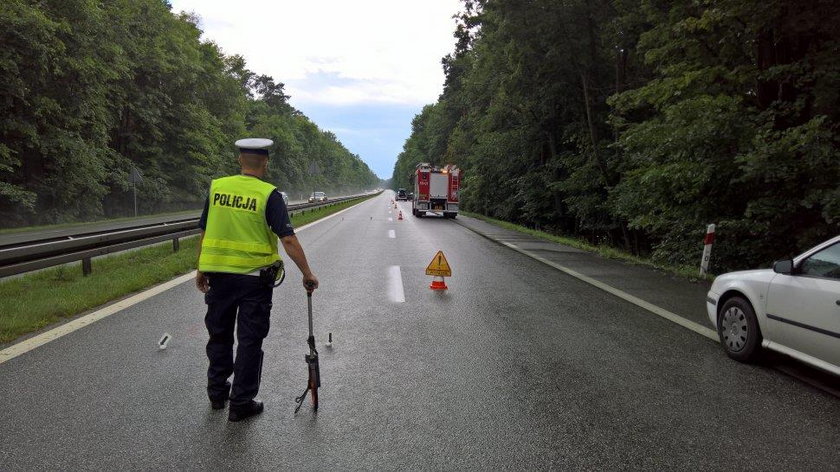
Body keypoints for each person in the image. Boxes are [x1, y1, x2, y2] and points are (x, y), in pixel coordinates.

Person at [195, 138, 319, 422]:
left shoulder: (217, 188)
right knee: (249, 341)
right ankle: (241, 402)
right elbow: (287, 238)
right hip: (254, 282)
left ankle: (217, 394)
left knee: (219, 335)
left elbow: (204, 231)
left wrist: (200, 268)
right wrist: (307, 273)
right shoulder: (269, 195)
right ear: (265, 162)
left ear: (240, 160)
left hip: (219, 277)